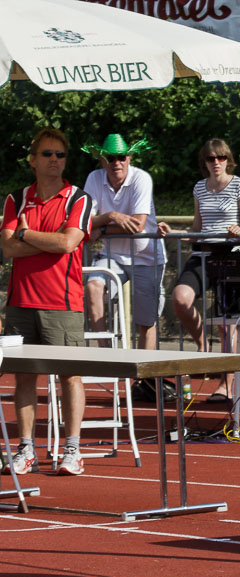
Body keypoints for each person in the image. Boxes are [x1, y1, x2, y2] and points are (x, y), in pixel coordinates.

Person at [1, 127, 93, 476]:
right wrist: (47, 242)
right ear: (33, 160)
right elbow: (8, 248)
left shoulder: (78, 198)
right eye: (47, 154)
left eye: (60, 155)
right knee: (24, 377)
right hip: (21, 302)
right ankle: (26, 450)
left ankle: (73, 450)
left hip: (63, 303)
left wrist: (26, 234)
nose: (55, 160)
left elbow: (68, 244)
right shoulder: (16, 199)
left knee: (69, 376)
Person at [159, 138, 240, 403]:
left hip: (231, 255)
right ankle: (202, 342)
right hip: (203, 254)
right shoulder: (200, 187)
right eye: (211, 158)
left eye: (221, 157)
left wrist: (239, 231)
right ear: (204, 162)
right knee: (180, 298)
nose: (216, 162)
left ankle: (226, 385)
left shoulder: (239, 185)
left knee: (227, 324)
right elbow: (196, 230)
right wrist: (173, 232)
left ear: (228, 160)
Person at [82, 133, 166, 349]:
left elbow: (137, 225)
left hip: (146, 257)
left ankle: (144, 371)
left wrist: (102, 227)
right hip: (112, 256)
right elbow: (84, 222)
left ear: (129, 158)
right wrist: (111, 216)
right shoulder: (94, 178)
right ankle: (106, 354)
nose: (116, 163)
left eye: (121, 157)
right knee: (93, 286)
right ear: (102, 160)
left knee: (146, 323)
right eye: (110, 158)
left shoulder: (141, 178)